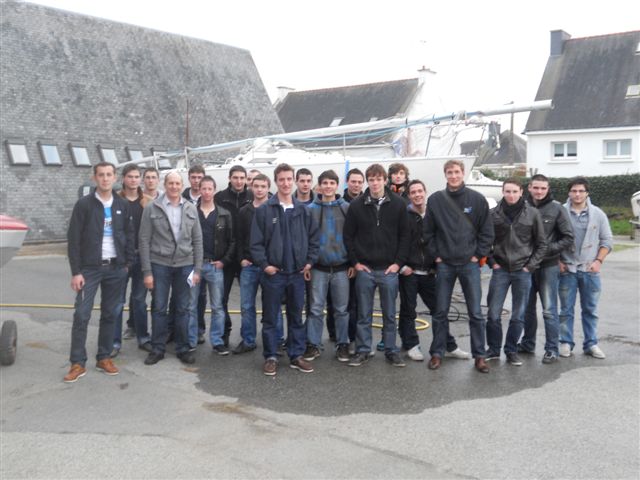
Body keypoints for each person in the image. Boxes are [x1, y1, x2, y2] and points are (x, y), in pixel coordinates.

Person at [64, 162, 134, 383]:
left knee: (110, 314)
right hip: (89, 270)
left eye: (109, 175)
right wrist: (76, 272)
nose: (105, 178)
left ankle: (104, 357)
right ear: (94, 178)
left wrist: (127, 263)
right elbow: (74, 239)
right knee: (82, 314)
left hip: (116, 268)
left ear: (115, 178)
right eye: (101, 175)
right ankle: (77, 363)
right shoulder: (84, 205)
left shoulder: (122, 204)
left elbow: (129, 235)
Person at [424, 159, 494, 373]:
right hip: (444, 264)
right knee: (440, 312)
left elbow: (487, 232)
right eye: (449, 172)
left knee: (475, 312)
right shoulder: (435, 200)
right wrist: (436, 256)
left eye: (456, 172)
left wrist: (478, 255)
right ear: (445, 175)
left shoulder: (477, 199)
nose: (453, 176)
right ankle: (437, 353)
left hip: (469, 264)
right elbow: (428, 233)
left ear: (463, 173)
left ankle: (479, 356)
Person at [250, 163, 319, 376]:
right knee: (271, 318)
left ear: (294, 181)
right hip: (274, 275)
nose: (286, 183)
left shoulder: (303, 211)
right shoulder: (264, 211)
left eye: (289, 179)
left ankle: (296, 355)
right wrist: (265, 266)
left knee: (296, 317)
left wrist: (309, 262)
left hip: (297, 274)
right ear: (276, 181)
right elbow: (255, 244)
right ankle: (271, 356)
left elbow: (314, 239)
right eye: (282, 179)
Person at [343, 163, 410, 367]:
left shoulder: (399, 204)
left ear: (385, 180)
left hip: (389, 269)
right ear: (367, 181)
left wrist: (398, 263)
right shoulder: (357, 205)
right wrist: (356, 262)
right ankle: (363, 350)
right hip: (366, 269)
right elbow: (348, 237)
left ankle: (391, 350)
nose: (375, 183)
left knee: (389, 314)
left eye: (378, 179)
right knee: (364, 314)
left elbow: (405, 236)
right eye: (371, 180)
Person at [399, 180, 471, 362]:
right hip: (409, 272)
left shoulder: (435, 214)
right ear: (409, 196)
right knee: (408, 310)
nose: (417, 195)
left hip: (430, 272)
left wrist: (439, 264)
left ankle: (449, 345)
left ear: (425, 192)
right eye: (413, 192)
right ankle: (411, 345)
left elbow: (444, 238)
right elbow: (396, 241)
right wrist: (402, 266)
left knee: (439, 311)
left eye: (420, 191)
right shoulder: (403, 216)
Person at [139, 171, 203, 366]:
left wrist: (197, 269)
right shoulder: (152, 208)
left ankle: (183, 348)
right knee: (159, 308)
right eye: (171, 183)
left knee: (183, 308)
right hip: (160, 265)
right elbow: (144, 240)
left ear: (181, 185)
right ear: (164, 185)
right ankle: (157, 349)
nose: (174, 186)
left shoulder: (191, 208)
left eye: (177, 183)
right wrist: (147, 272)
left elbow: (198, 240)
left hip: (185, 265)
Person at [485, 178, 546, 366]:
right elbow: (485, 241)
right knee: (493, 314)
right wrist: (492, 262)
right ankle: (493, 349)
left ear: (521, 192)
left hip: (522, 270)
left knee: (518, 315)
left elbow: (542, 244)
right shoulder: (493, 214)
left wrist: (530, 266)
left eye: (514, 191)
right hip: (500, 269)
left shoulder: (532, 214)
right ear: (503, 192)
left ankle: (511, 350)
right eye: (507, 191)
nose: (511, 195)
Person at [517, 174, 574, 364]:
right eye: (536, 187)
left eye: (543, 188)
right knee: (527, 309)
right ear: (529, 188)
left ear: (548, 189)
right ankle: (528, 343)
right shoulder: (521, 206)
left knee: (549, 310)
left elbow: (568, 237)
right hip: (525, 266)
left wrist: (546, 250)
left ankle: (551, 349)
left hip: (548, 266)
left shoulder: (557, 209)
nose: (539, 191)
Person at [558, 177, 612, 359]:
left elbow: (607, 240)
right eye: (574, 191)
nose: (577, 194)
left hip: (590, 270)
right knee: (566, 310)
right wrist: (558, 261)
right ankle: (566, 342)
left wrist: (598, 261)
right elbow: (551, 240)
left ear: (587, 193)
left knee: (590, 310)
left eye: (581, 191)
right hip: (567, 269)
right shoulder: (560, 212)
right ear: (569, 193)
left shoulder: (598, 214)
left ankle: (591, 344)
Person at [303, 170, 352, 363]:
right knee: (315, 309)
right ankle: (313, 344)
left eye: (332, 183)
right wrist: (307, 264)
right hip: (318, 268)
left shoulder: (346, 208)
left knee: (341, 309)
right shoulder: (310, 210)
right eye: (325, 183)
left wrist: (353, 262)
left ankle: (342, 344)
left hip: (341, 268)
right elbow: (305, 239)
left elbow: (353, 237)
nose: (328, 186)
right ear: (320, 186)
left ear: (337, 185)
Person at [189, 176, 235, 354]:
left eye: (210, 189)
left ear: (214, 190)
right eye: (204, 188)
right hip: (194, 266)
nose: (207, 192)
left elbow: (232, 241)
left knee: (217, 306)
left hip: (215, 266)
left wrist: (224, 261)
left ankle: (217, 341)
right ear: (199, 190)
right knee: (192, 305)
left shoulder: (224, 214)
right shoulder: (191, 212)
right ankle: (192, 339)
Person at [112, 164, 153, 357]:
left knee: (139, 300)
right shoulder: (115, 201)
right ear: (123, 179)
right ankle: (114, 343)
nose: (134, 180)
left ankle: (143, 338)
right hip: (120, 258)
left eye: (137, 177)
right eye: (130, 176)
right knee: (117, 302)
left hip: (142, 257)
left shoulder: (148, 202)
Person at [215, 165, 254, 346]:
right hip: (227, 256)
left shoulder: (253, 196)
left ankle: (247, 337)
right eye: (235, 177)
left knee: (248, 302)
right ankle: (225, 330)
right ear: (229, 178)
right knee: (222, 298)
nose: (239, 181)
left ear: (246, 179)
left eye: (242, 178)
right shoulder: (219, 198)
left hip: (246, 255)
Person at [233, 173, 272, 354]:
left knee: (271, 306)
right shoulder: (244, 211)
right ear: (251, 188)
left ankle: (274, 340)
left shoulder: (275, 209)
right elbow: (239, 238)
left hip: (269, 266)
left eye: (263, 186)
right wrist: (241, 258)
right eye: (256, 186)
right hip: (249, 266)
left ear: (268, 188)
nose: (259, 189)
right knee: (247, 306)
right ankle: (248, 340)